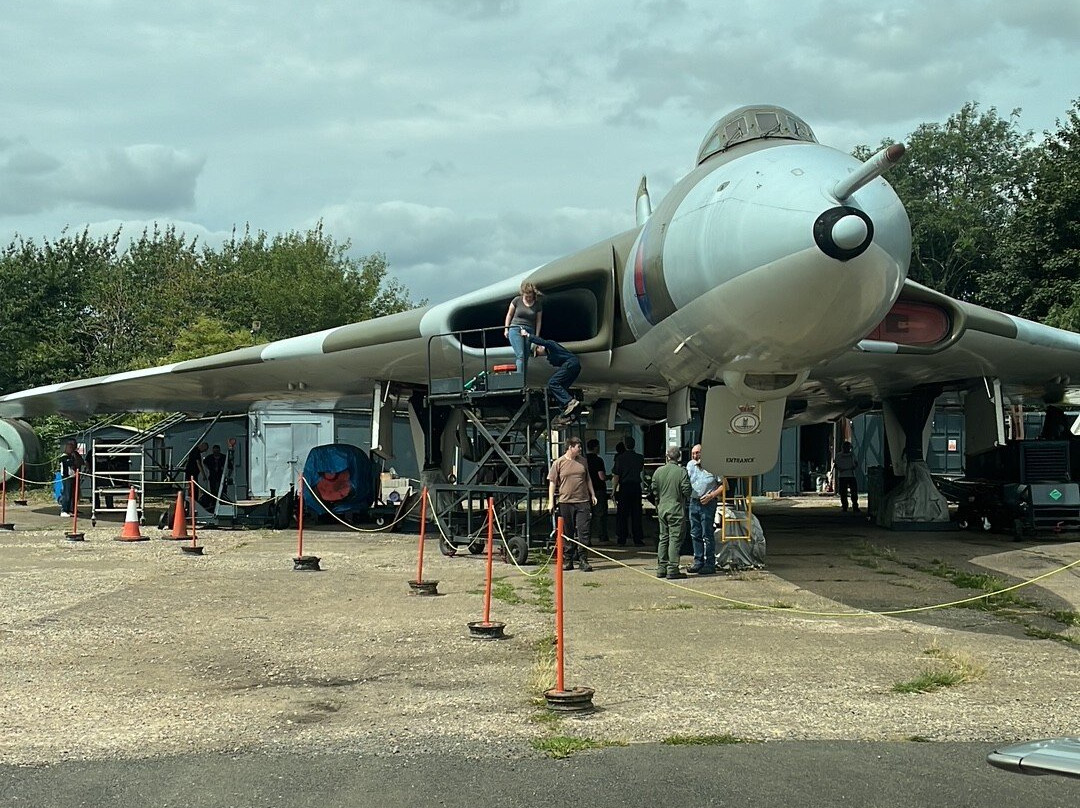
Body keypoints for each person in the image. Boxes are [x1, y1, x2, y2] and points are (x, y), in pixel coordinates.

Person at [547, 436, 597, 572]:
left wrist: (592, 494)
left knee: (583, 531)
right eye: (578, 447)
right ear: (570, 447)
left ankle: (583, 560)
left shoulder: (583, 462)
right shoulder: (559, 463)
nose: (580, 449)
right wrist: (551, 501)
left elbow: (588, 479)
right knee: (567, 532)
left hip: (582, 501)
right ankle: (568, 559)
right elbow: (552, 482)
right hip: (565, 502)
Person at [650, 446, 691, 579]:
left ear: (667, 456)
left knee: (663, 537)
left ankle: (661, 567)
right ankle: (672, 568)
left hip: (662, 507)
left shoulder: (658, 471)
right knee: (675, 538)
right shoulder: (681, 472)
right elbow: (687, 491)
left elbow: (654, 489)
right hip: (676, 508)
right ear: (678, 457)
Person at [686, 444, 724, 575]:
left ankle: (710, 563)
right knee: (695, 533)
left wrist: (711, 495)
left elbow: (724, 486)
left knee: (707, 534)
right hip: (694, 502)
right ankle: (698, 561)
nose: (695, 456)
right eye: (693, 454)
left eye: (697, 453)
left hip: (708, 503)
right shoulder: (690, 465)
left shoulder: (713, 466)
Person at [528, 334, 581, 417]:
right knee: (562, 388)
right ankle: (566, 410)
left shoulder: (550, 345)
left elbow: (544, 342)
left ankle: (570, 402)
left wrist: (528, 336)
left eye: (537, 353)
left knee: (552, 383)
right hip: (575, 366)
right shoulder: (550, 355)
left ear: (539, 347)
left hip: (570, 364)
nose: (539, 355)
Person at [612, 435, 645, 546]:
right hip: (636, 487)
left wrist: (613, 490)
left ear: (625, 446)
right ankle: (637, 538)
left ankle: (622, 538)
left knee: (622, 514)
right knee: (636, 513)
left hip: (624, 487)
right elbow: (640, 469)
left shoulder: (620, 458)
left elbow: (616, 475)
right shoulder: (640, 458)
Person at [504, 281, 543, 374]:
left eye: (530, 296)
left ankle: (523, 382)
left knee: (526, 357)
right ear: (523, 294)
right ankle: (519, 381)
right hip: (515, 328)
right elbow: (509, 315)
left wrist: (536, 336)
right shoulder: (516, 300)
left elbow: (538, 321)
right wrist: (506, 329)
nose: (528, 298)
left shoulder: (537, 304)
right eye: (526, 296)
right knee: (520, 354)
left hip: (529, 330)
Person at [585, 438, 609, 544]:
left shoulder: (583, 460)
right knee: (600, 514)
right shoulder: (598, 460)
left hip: (585, 491)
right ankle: (602, 536)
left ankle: (586, 538)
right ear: (595, 447)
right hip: (598, 489)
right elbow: (601, 477)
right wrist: (609, 477)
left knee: (586, 516)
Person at [833, 440, 859, 513]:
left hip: (849, 475)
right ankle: (846, 506)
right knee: (844, 492)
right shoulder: (840, 455)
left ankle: (854, 506)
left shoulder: (851, 455)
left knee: (852, 492)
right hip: (844, 475)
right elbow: (835, 465)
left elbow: (856, 463)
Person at [58, 441, 83, 517]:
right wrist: (74, 459)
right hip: (66, 477)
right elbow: (72, 463)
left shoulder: (72, 456)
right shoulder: (63, 457)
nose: (72, 449)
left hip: (72, 477)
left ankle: (69, 509)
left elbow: (80, 462)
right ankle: (64, 510)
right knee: (66, 494)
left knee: (71, 494)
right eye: (70, 448)